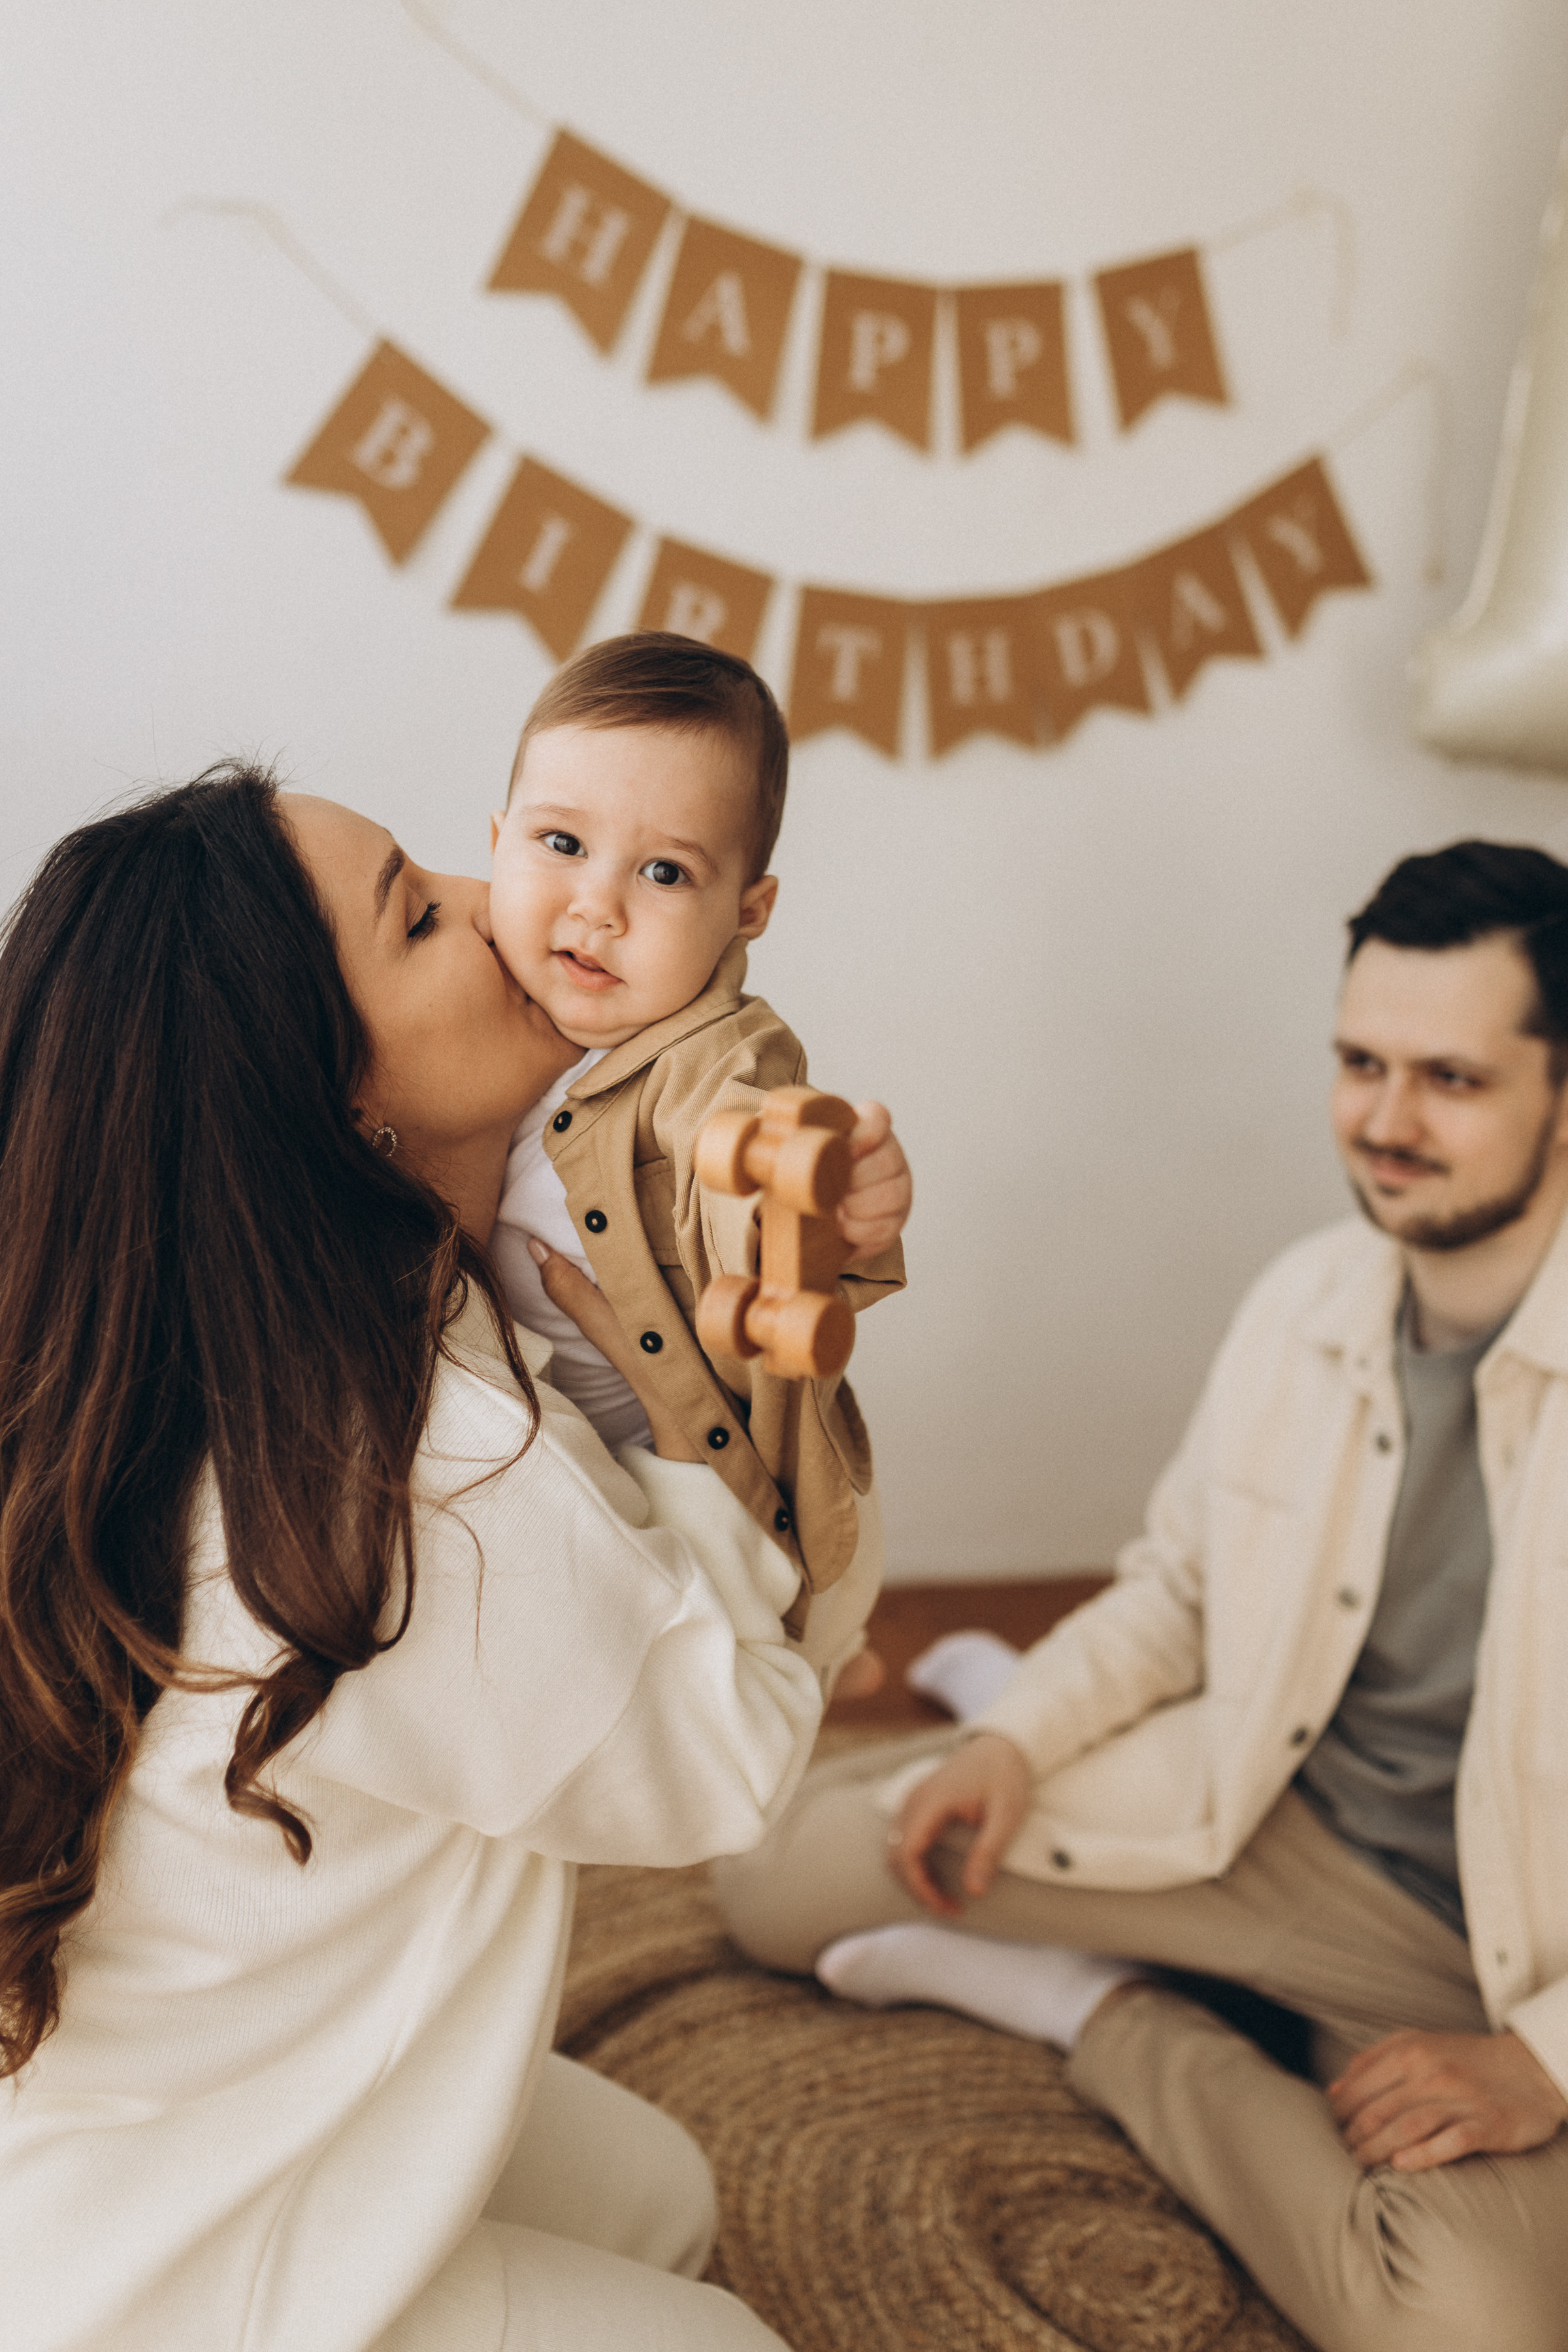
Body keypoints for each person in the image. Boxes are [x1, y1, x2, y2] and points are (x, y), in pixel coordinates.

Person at [0, 763, 852, 2351]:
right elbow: (732, 1756)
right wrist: (705, 1406)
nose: (497, 901)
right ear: (333, 1094)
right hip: (148, 2286)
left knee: (659, 2191)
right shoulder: (390, 1477)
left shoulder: (215, 1348)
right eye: (418, 918)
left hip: (120, 2128)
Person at [714, 840, 1568, 2352]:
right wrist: (1020, 1741)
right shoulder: (1309, 1300)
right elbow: (1180, 1594)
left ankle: (1094, 2006)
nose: (1385, 1123)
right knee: (771, 1885)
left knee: (1469, 2330)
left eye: (1451, 1079)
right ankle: (993, 1716)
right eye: (1360, 1065)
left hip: (1507, 1954)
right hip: (1265, 1816)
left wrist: (1542, 2063)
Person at [486, 633, 909, 1692]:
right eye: (561, 843)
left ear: (746, 914)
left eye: (665, 872)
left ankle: (833, 1654)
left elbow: (740, 1147)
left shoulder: (712, 1056)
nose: (598, 906)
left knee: (742, 1651)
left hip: (724, 1486)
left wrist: (823, 1201)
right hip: (566, 1469)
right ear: (496, 841)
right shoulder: (467, 998)